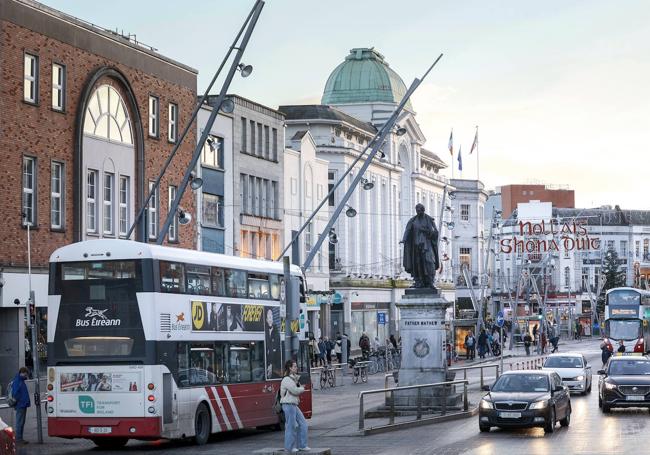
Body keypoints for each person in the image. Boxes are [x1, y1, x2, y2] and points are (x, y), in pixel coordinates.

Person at [401, 203, 440, 288]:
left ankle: (430, 281)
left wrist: (426, 231)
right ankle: (419, 282)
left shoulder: (429, 220)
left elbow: (435, 232)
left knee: (430, 262)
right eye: (417, 211)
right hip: (416, 247)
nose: (418, 212)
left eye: (419, 211)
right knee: (417, 264)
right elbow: (408, 230)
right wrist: (404, 239)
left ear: (423, 210)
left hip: (427, 246)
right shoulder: (413, 220)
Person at [280, 360, 310, 453]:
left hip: (293, 404)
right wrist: (302, 388)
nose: (296, 368)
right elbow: (295, 391)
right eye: (295, 366)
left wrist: (300, 381)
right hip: (288, 404)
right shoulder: (286, 379)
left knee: (303, 423)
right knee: (291, 426)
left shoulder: (293, 378)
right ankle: (289, 447)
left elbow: (296, 383)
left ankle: (302, 445)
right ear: (290, 368)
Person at [11, 367, 31, 445]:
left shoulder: (20, 380)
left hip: (22, 404)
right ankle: (18, 439)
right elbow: (16, 393)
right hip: (21, 405)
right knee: (20, 422)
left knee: (21, 422)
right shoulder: (18, 381)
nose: (26, 376)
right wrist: (20, 401)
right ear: (22, 373)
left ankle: (20, 438)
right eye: (25, 374)